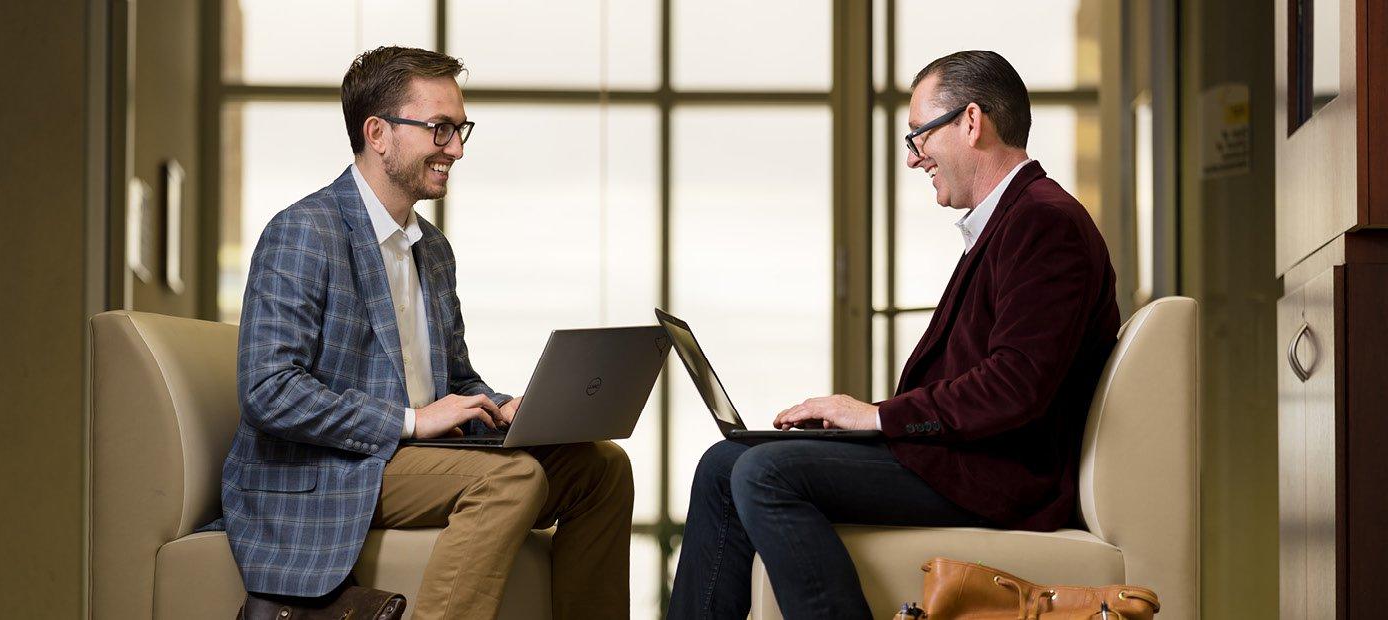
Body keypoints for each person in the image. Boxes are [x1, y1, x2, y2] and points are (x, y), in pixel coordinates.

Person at [666, 50, 1121, 619]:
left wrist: (876, 417)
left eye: (919, 135)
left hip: (1000, 475)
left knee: (766, 471)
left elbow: (1015, 385)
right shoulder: (1009, 221)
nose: (913, 158)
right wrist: (867, 421)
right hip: (965, 457)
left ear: (971, 123)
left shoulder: (1044, 222)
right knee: (723, 462)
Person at [218, 46, 632, 620]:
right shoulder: (303, 232)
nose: (456, 149)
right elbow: (269, 392)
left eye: (460, 129)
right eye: (440, 129)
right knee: (511, 477)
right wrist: (411, 421)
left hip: (416, 456)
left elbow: (456, 379)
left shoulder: (432, 250)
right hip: (329, 469)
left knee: (602, 467)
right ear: (378, 133)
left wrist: (510, 407)